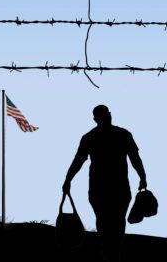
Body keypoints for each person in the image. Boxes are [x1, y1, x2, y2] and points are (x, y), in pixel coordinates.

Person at [63, 105, 147, 262]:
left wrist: (142, 176)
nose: (108, 116)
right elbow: (78, 160)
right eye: (104, 114)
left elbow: (135, 157)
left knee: (111, 220)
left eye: (108, 113)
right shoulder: (117, 135)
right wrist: (68, 179)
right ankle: (111, 252)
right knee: (108, 220)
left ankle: (111, 252)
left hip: (112, 186)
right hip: (105, 186)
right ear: (96, 119)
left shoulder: (102, 136)